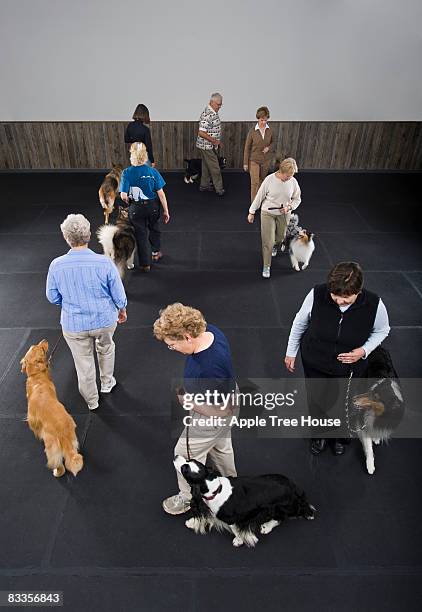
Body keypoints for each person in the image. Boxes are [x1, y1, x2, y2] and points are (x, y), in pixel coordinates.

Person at [284, 262, 390, 456]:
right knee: (317, 399)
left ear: (358, 292)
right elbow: (300, 322)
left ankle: (339, 436)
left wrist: (363, 351)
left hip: (349, 368)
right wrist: (291, 352)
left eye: (346, 299)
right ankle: (319, 434)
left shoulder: (375, 304)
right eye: (335, 297)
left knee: (344, 401)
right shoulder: (317, 294)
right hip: (315, 360)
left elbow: (383, 330)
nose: (340, 302)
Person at [153, 303, 237, 515]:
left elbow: (223, 410)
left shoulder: (209, 367)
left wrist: (188, 401)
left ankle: (187, 498)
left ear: (187, 336)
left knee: (183, 455)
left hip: (211, 415)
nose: (172, 349)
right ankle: (232, 485)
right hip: (227, 398)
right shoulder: (211, 331)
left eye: (172, 344)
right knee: (221, 447)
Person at [46, 214, 127, 411]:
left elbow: (52, 297)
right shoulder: (104, 263)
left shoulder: (56, 265)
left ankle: (92, 402)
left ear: (66, 238)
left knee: (83, 363)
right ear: (89, 235)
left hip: (74, 325)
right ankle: (107, 383)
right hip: (104, 320)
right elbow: (118, 294)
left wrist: (69, 304)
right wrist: (121, 309)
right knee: (106, 348)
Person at [120, 142, 170, 272]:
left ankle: (145, 264)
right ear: (145, 155)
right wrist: (166, 211)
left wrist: (130, 201)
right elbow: (161, 194)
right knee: (155, 229)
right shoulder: (152, 171)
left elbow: (123, 195)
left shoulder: (126, 173)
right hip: (153, 207)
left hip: (136, 209)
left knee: (140, 234)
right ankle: (155, 252)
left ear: (132, 155)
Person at [247, 157, 301, 278]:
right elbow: (259, 197)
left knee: (281, 237)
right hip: (268, 213)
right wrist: (252, 211)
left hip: (284, 214)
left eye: (291, 176)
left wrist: (289, 208)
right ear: (281, 172)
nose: (289, 178)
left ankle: (276, 246)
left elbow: (297, 199)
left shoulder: (293, 182)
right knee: (268, 242)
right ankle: (267, 266)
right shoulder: (269, 180)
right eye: (287, 176)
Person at [196, 92, 224, 196]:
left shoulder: (213, 112)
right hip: (206, 145)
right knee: (215, 167)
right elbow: (201, 132)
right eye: (218, 104)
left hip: (208, 145)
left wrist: (216, 142)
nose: (220, 106)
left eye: (221, 104)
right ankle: (219, 189)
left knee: (206, 165)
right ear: (211, 102)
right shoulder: (208, 114)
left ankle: (204, 185)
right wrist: (215, 141)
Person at [243, 106, 274, 202]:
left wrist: (269, 148)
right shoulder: (252, 132)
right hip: (254, 160)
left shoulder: (270, 130)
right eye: (262, 120)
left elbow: (274, 142)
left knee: (263, 181)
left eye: (265, 120)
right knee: (255, 182)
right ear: (258, 119)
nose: (264, 122)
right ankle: (254, 204)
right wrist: (245, 163)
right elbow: (247, 148)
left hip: (265, 160)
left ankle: (261, 200)